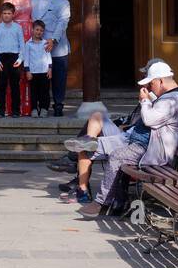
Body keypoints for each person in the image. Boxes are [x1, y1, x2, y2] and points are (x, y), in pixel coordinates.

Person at [77, 61, 178, 218]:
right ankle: (113, 197)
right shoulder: (168, 97)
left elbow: (150, 120)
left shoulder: (174, 101)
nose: (150, 88)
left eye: (151, 83)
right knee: (89, 148)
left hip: (149, 149)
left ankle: (102, 202)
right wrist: (149, 100)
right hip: (134, 140)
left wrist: (145, 100)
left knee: (117, 156)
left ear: (161, 81)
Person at [60, 57, 169, 205]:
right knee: (96, 118)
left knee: (86, 143)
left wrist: (144, 102)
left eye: (147, 76)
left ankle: (76, 167)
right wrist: (122, 121)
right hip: (127, 133)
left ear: (158, 79)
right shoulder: (148, 93)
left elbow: (146, 123)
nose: (144, 79)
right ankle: (86, 145)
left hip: (131, 140)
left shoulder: (158, 98)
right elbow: (134, 119)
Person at [30, 0, 71, 116]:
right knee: (40, 79)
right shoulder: (33, 0)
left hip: (57, 46)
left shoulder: (63, 2)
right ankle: (41, 106)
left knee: (59, 78)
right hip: (38, 48)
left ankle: (58, 104)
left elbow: (62, 23)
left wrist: (53, 40)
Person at [4, 0, 33, 115]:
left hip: (29, 33)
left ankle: (27, 106)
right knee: (14, 70)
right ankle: (12, 107)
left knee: (27, 69)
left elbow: (33, 15)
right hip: (14, 33)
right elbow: (5, 16)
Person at [0, 1, 25, 118]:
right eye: (4, 13)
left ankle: (15, 110)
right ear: (1, 14)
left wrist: (20, 59)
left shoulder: (17, 28)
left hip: (14, 58)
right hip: (1, 59)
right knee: (1, 86)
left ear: (13, 14)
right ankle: (1, 110)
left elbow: (22, 45)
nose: (6, 15)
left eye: (9, 13)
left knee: (15, 85)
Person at [23, 18, 52, 117]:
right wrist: (27, 71)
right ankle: (34, 109)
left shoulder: (45, 43)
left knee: (44, 92)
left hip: (44, 71)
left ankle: (44, 108)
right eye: (37, 29)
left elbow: (48, 57)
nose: (39, 32)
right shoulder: (28, 44)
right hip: (33, 72)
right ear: (32, 30)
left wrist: (50, 69)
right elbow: (26, 58)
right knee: (34, 92)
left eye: (41, 30)